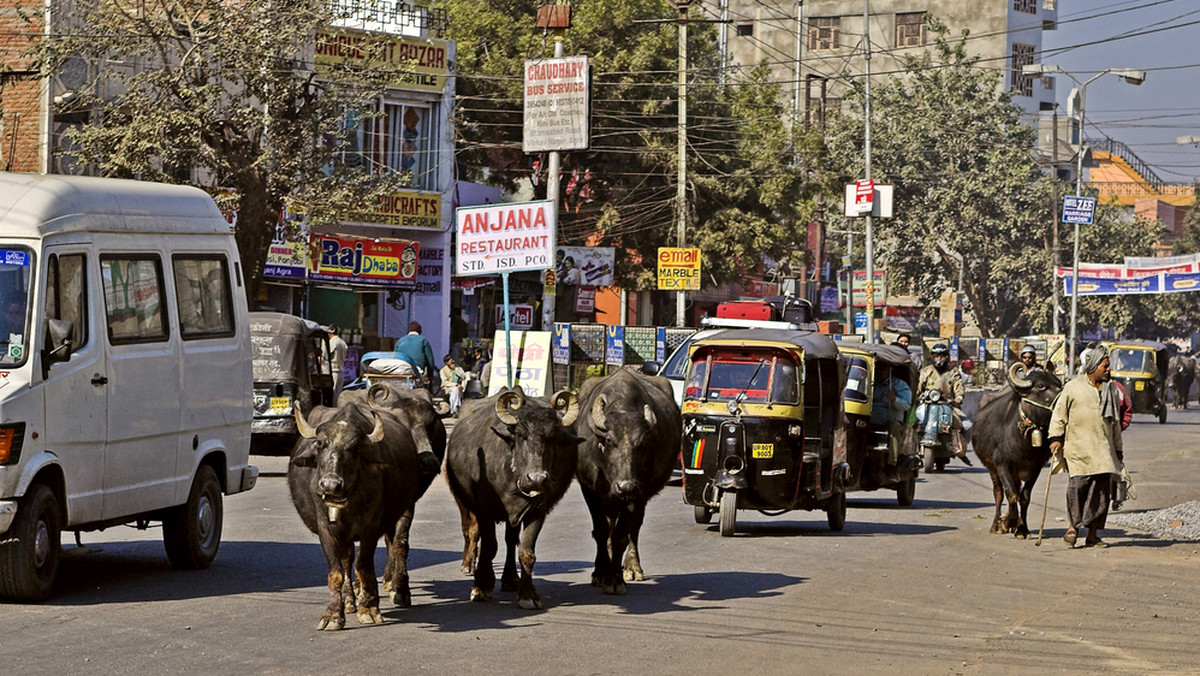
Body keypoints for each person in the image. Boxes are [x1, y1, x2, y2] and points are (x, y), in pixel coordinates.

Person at [1047, 346, 1124, 548]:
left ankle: (1092, 535)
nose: (1108, 370)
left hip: (1103, 452)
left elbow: (1114, 424)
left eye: (1108, 366)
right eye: (1104, 366)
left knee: (1100, 494)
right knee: (1077, 488)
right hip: (1078, 449)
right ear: (1093, 366)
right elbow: (1059, 415)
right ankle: (1073, 527)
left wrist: (1118, 450)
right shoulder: (1073, 387)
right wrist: (1055, 438)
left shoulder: (1112, 390)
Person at [917, 342, 970, 463]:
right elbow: (919, 387)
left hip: (948, 405)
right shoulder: (926, 371)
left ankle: (960, 449)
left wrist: (959, 397)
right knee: (913, 422)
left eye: (941, 356)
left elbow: (959, 386)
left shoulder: (953, 371)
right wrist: (915, 396)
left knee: (967, 426)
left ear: (947, 357)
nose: (939, 359)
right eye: (936, 356)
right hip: (927, 404)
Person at [394, 321, 438, 391]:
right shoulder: (423, 340)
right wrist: (430, 375)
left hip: (400, 370)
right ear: (420, 331)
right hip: (416, 370)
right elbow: (430, 360)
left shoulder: (400, 341)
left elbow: (395, 357)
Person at [327, 325, 348, 401]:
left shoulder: (331, 342)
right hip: (341, 371)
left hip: (333, 371)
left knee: (331, 395)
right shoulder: (342, 342)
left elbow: (325, 355)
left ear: (330, 333)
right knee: (338, 395)